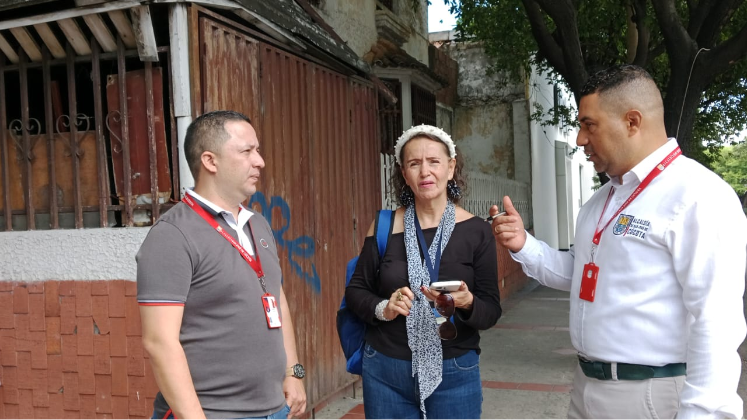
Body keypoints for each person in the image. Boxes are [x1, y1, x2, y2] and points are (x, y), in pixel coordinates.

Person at [491, 65, 747, 420]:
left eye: (588, 124)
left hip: (652, 396)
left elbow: (716, 320)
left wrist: (704, 414)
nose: (580, 139)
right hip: (587, 389)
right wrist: (523, 244)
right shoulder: (603, 200)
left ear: (632, 122)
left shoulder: (698, 196)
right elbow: (583, 274)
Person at [136, 111, 307, 420]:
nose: (260, 161)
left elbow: (276, 297)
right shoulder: (172, 236)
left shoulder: (258, 224)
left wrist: (293, 372)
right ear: (210, 161)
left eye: (257, 150)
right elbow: (159, 341)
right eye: (247, 151)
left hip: (274, 410)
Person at [345, 124, 502, 419]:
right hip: (385, 370)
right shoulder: (383, 226)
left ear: (451, 167)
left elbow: (490, 311)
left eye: (434, 162)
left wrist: (467, 303)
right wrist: (384, 308)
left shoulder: (477, 232)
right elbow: (356, 290)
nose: (425, 172)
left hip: (455, 369)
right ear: (404, 173)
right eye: (414, 164)